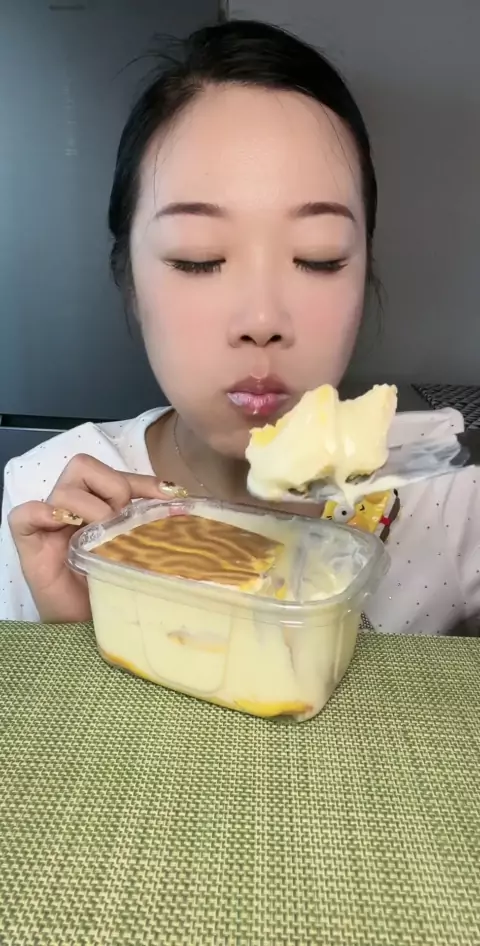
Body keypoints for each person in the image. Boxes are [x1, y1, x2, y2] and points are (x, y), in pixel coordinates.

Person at [0, 19, 478, 634]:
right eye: (198, 258)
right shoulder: (46, 498)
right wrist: (74, 635)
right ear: (130, 279)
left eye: (319, 257)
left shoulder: (449, 500)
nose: (261, 320)